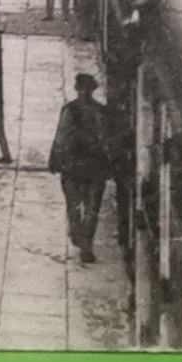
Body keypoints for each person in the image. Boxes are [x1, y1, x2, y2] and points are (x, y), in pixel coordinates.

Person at [48, 73, 115, 263]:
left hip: (80, 167)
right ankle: (82, 239)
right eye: (82, 89)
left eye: (86, 89)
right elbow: (61, 138)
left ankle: (85, 243)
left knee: (88, 208)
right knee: (80, 208)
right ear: (78, 90)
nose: (84, 93)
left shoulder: (74, 110)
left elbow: (61, 139)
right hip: (84, 167)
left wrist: (56, 160)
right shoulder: (97, 111)